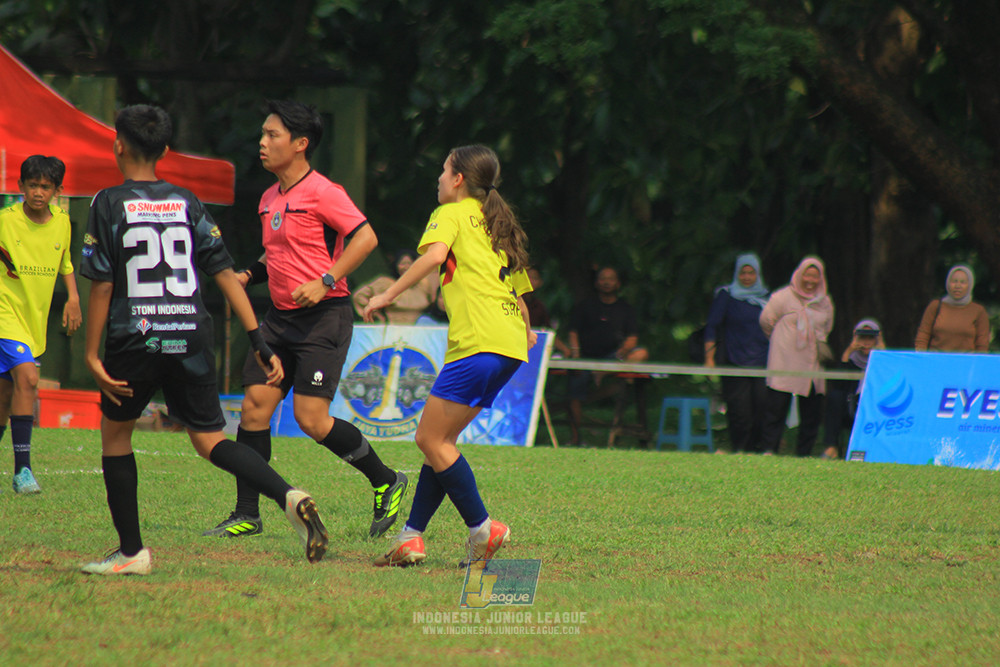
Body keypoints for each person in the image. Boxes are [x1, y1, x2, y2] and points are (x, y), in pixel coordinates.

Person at [79, 104, 327, 575]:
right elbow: (226, 275)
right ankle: (288, 495)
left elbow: (104, 284)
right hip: (190, 331)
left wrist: (91, 354)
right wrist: (257, 337)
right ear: (166, 151)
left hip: (137, 333)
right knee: (211, 438)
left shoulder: (107, 202)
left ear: (118, 145)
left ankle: (132, 553)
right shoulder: (188, 200)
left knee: (116, 436)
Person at [202, 100, 407, 540]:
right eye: (262, 134)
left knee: (312, 419)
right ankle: (247, 514)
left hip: (323, 319)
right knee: (254, 411)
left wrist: (326, 279)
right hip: (279, 320)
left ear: (300, 144)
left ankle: (386, 480)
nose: (262, 142)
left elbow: (366, 237)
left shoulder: (325, 192)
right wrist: (249, 275)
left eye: (272, 135)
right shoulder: (268, 197)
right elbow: (275, 255)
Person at [363, 144, 536, 568]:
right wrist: (527, 330)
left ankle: (483, 529)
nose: (438, 178)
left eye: (443, 171)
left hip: (478, 341)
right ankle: (411, 538)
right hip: (509, 344)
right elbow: (517, 292)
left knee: (428, 439)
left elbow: (435, 256)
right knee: (440, 443)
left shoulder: (452, 212)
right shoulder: (499, 223)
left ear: (458, 179)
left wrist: (387, 293)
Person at [0, 155, 82, 494]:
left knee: (5, 399)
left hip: (34, 319)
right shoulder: (5, 220)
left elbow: (65, 261)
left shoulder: (62, 222)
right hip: (5, 315)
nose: (38, 192)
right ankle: (23, 472)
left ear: (58, 190)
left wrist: (74, 298)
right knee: (30, 378)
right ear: (20, 187)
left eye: (45, 187)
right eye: (32, 185)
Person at [758, 256, 834, 457]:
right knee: (776, 409)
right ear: (799, 275)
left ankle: (804, 453)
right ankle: (769, 449)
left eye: (815, 277)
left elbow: (827, 327)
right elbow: (767, 321)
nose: (810, 281)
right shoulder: (782, 297)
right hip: (784, 361)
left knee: (811, 412)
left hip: (812, 364)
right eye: (807, 276)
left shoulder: (825, 302)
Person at [566, 266, 649, 446]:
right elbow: (573, 332)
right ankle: (575, 437)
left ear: (618, 283)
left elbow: (632, 338)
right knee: (574, 390)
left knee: (641, 353)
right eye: (603, 278)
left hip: (614, 358)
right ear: (597, 283)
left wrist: (623, 352)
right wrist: (576, 354)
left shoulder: (626, 309)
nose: (606, 282)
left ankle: (603, 372)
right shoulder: (585, 306)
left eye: (610, 279)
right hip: (585, 358)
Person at [703, 253, 770, 453]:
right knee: (739, 410)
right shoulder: (727, 295)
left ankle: (758, 449)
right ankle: (739, 449)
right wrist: (709, 358)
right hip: (734, 359)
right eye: (743, 273)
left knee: (761, 406)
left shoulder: (767, 297)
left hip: (762, 360)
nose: (747, 277)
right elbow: (712, 326)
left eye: (751, 273)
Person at [822, 319, 883, 460]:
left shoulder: (883, 360)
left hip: (875, 409)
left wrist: (882, 351)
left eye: (871, 338)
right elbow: (839, 386)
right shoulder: (851, 360)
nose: (866, 342)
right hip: (851, 409)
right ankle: (831, 447)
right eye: (863, 337)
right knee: (835, 396)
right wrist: (847, 353)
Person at [914, 264, 990, 352]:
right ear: (948, 283)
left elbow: (982, 345)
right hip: (936, 361)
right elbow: (923, 335)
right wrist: (921, 357)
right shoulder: (935, 306)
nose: (957, 286)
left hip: (965, 362)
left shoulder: (978, 311)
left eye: (962, 282)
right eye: (954, 281)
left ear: (970, 285)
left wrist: (977, 363)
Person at [352, 249, 437, 324]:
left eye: (410, 263)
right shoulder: (385, 283)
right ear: (396, 265)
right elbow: (359, 296)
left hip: (421, 331)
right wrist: (375, 315)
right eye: (402, 263)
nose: (406, 267)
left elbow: (436, 302)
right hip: (392, 330)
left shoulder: (424, 284)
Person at [522, 266, 571, 356]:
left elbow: (548, 331)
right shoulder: (511, 301)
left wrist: (565, 349)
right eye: (528, 277)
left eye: (535, 278)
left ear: (540, 283)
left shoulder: (539, 306)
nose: (530, 281)